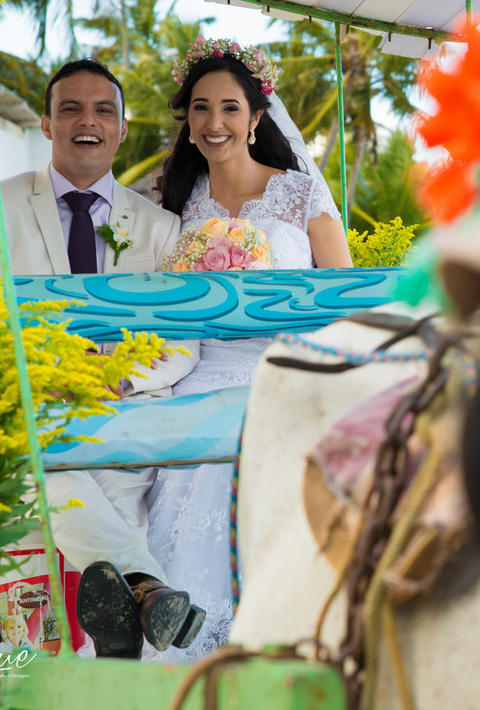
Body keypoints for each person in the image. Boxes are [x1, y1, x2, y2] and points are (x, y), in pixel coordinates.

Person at [0, 60, 205, 659]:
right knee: (44, 456)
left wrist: (112, 376)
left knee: (101, 485)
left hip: (121, 410)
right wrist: (47, 379)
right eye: (70, 108)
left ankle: (120, 624)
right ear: (47, 124)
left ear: (122, 128)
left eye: (103, 110)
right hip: (32, 404)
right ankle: (145, 590)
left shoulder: (160, 227)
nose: (86, 121)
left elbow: (182, 343)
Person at [142, 39, 351, 662]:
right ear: (188, 119)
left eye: (230, 108)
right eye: (201, 108)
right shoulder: (175, 203)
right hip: (198, 376)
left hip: (283, 374)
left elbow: (342, 298)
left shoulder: (300, 194)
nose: (215, 123)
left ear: (257, 116)